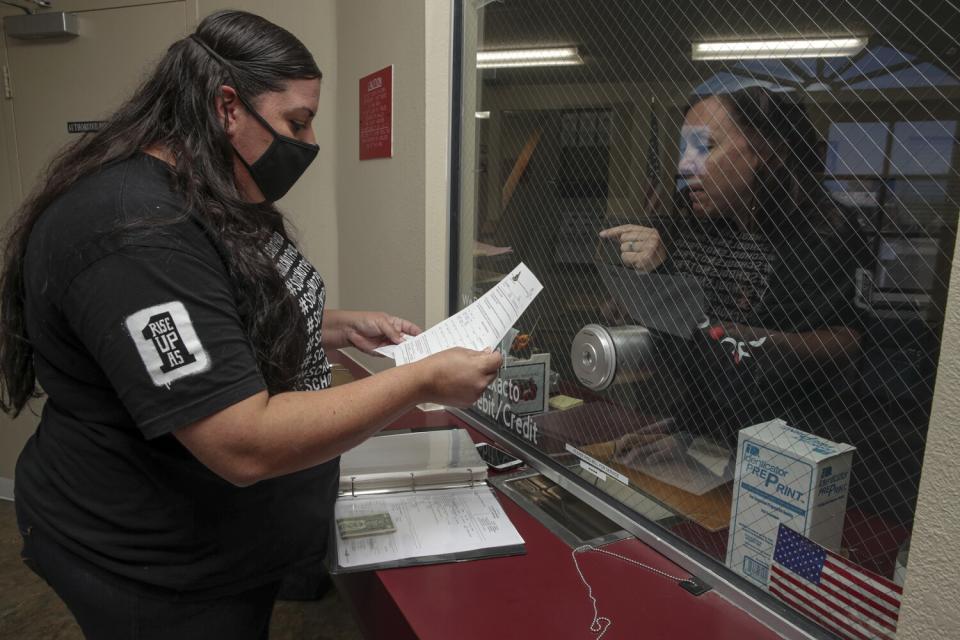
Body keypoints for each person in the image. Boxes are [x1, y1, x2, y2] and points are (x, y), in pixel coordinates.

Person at [0, 11, 501, 639]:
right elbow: (241, 442)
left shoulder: (199, 191)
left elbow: (217, 321)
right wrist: (422, 381)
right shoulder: (134, 235)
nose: (310, 141)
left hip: (225, 543)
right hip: (150, 566)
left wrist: (332, 327)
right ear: (227, 107)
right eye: (296, 121)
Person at [599, 86, 869, 462]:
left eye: (705, 148)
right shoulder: (700, 223)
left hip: (788, 450)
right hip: (708, 431)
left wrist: (740, 335)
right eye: (686, 150)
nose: (685, 167)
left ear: (763, 150)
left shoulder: (824, 230)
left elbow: (834, 350)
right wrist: (683, 435)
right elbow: (698, 353)